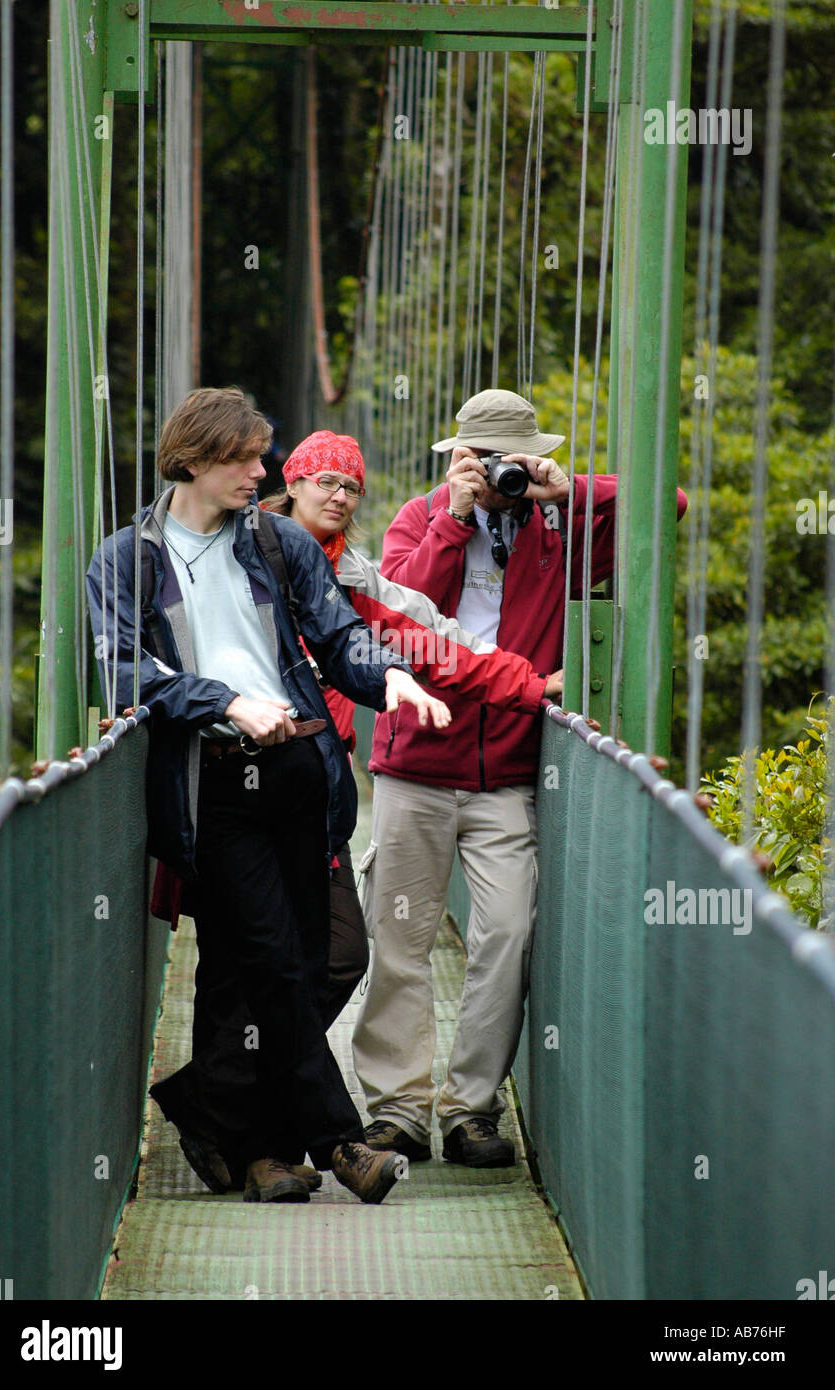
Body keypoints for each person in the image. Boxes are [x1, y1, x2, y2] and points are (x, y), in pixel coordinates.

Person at [85, 386, 452, 1206]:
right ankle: (334, 1142)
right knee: (276, 960)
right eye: (246, 459)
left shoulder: (279, 541)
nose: (264, 471)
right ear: (195, 460)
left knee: (280, 965)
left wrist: (390, 675)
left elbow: (337, 634)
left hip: (299, 775)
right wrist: (220, 700)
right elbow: (120, 671)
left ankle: (235, 1130)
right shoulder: (127, 559)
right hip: (210, 784)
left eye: (262, 456)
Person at [352, 388, 689, 1167]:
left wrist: (565, 489)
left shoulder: (561, 528)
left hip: (506, 772)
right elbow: (394, 605)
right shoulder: (420, 516)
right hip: (414, 766)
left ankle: (470, 1108)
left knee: (505, 935)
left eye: (512, 459)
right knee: (399, 940)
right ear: (458, 457)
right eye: (483, 460)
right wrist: (455, 516)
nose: (498, 473)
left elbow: (663, 506)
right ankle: (398, 1109)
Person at [260, 429, 565, 1030]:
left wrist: (528, 684)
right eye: (327, 482)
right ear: (291, 482)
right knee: (253, 956)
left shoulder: (353, 577)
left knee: (340, 957)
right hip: (238, 782)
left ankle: (258, 1095)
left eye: (352, 487)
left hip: (318, 791)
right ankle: (251, 1105)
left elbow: (429, 636)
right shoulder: (239, 551)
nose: (342, 496)